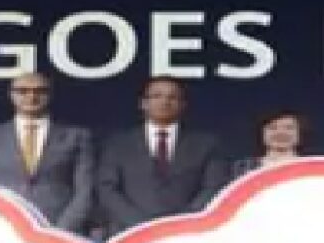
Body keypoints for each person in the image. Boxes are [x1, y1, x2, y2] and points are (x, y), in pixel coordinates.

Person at [0, 70, 96, 234]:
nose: (31, 97)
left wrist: (60, 231)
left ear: (50, 95)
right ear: (11, 95)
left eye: (40, 91)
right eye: (23, 91)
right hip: (3, 229)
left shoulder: (77, 136)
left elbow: (85, 190)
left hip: (61, 230)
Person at [96, 76, 230, 234]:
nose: (165, 102)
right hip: (129, 233)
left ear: (183, 105)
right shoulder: (118, 144)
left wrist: (182, 223)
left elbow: (212, 187)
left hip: (188, 233)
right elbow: (107, 189)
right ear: (143, 104)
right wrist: (140, 225)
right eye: (156, 96)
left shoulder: (206, 144)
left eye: (172, 97)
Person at [229, 109, 307, 176]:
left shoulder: (309, 166)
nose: (281, 132)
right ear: (262, 133)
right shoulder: (243, 168)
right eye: (273, 128)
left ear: (299, 133)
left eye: (289, 128)